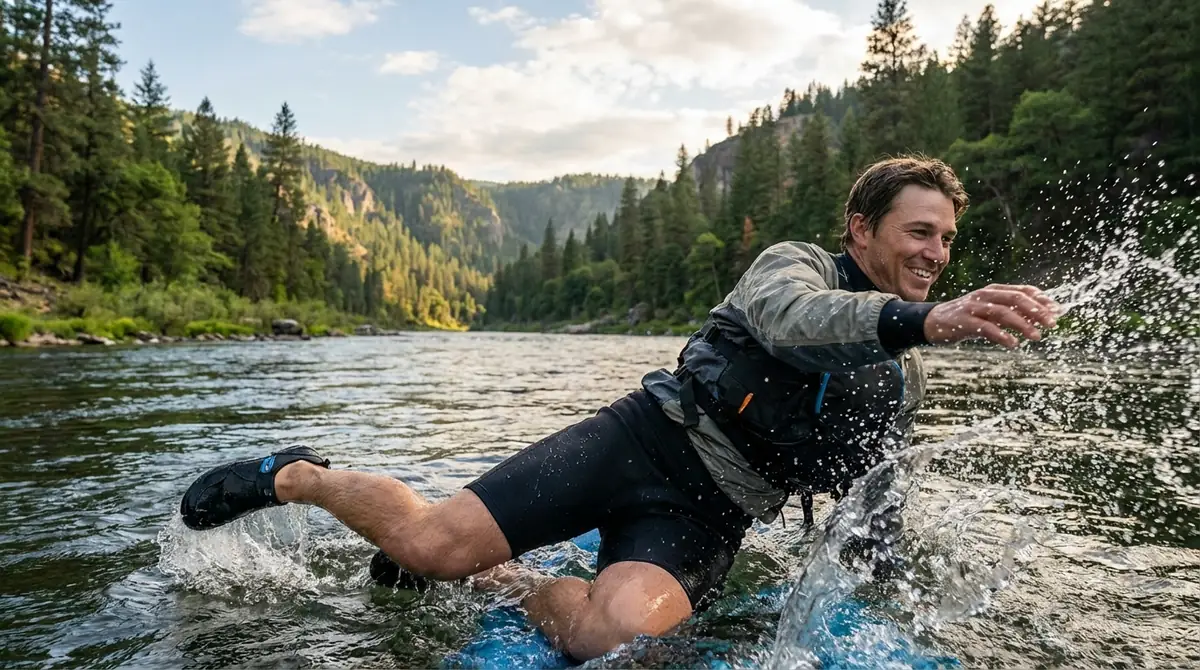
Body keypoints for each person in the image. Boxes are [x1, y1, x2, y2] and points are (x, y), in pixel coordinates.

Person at [177, 155, 1061, 662]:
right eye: (920, 231)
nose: (937, 252)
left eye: (946, 237)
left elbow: (876, 503)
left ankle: (517, 584)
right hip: (637, 442)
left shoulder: (902, 379)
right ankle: (297, 476)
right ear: (862, 230)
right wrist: (926, 319)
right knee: (425, 548)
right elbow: (797, 324)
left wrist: (884, 593)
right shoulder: (793, 266)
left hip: (711, 514)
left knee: (611, 641)